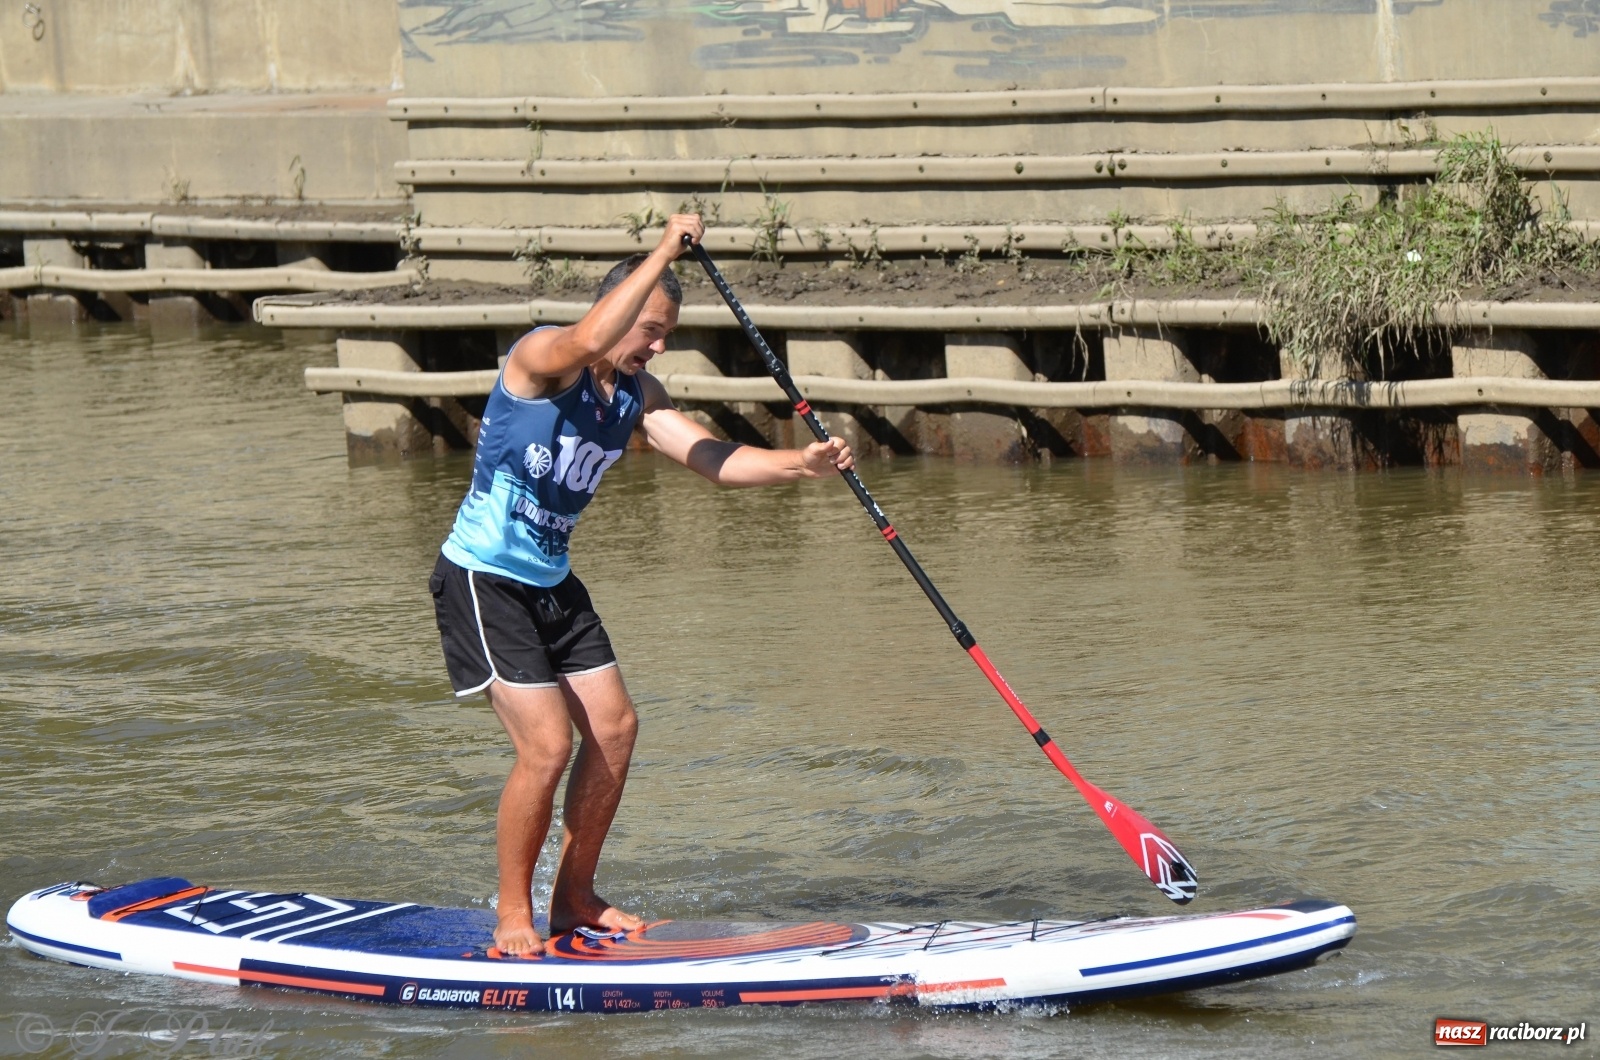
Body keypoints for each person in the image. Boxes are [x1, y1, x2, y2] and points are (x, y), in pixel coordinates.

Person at [428, 214, 855, 956]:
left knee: (617, 729)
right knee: (547, 746)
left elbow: (710, 458)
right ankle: (511, 913)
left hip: (552, 582)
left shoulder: (635, 393)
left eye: (666, 335)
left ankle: (574, 897)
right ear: (617, 306)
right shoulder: (540, 359)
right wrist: (664, 248)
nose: (656, 346)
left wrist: (801, 465)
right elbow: (591, 340)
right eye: (650, 329)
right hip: (483, 578)